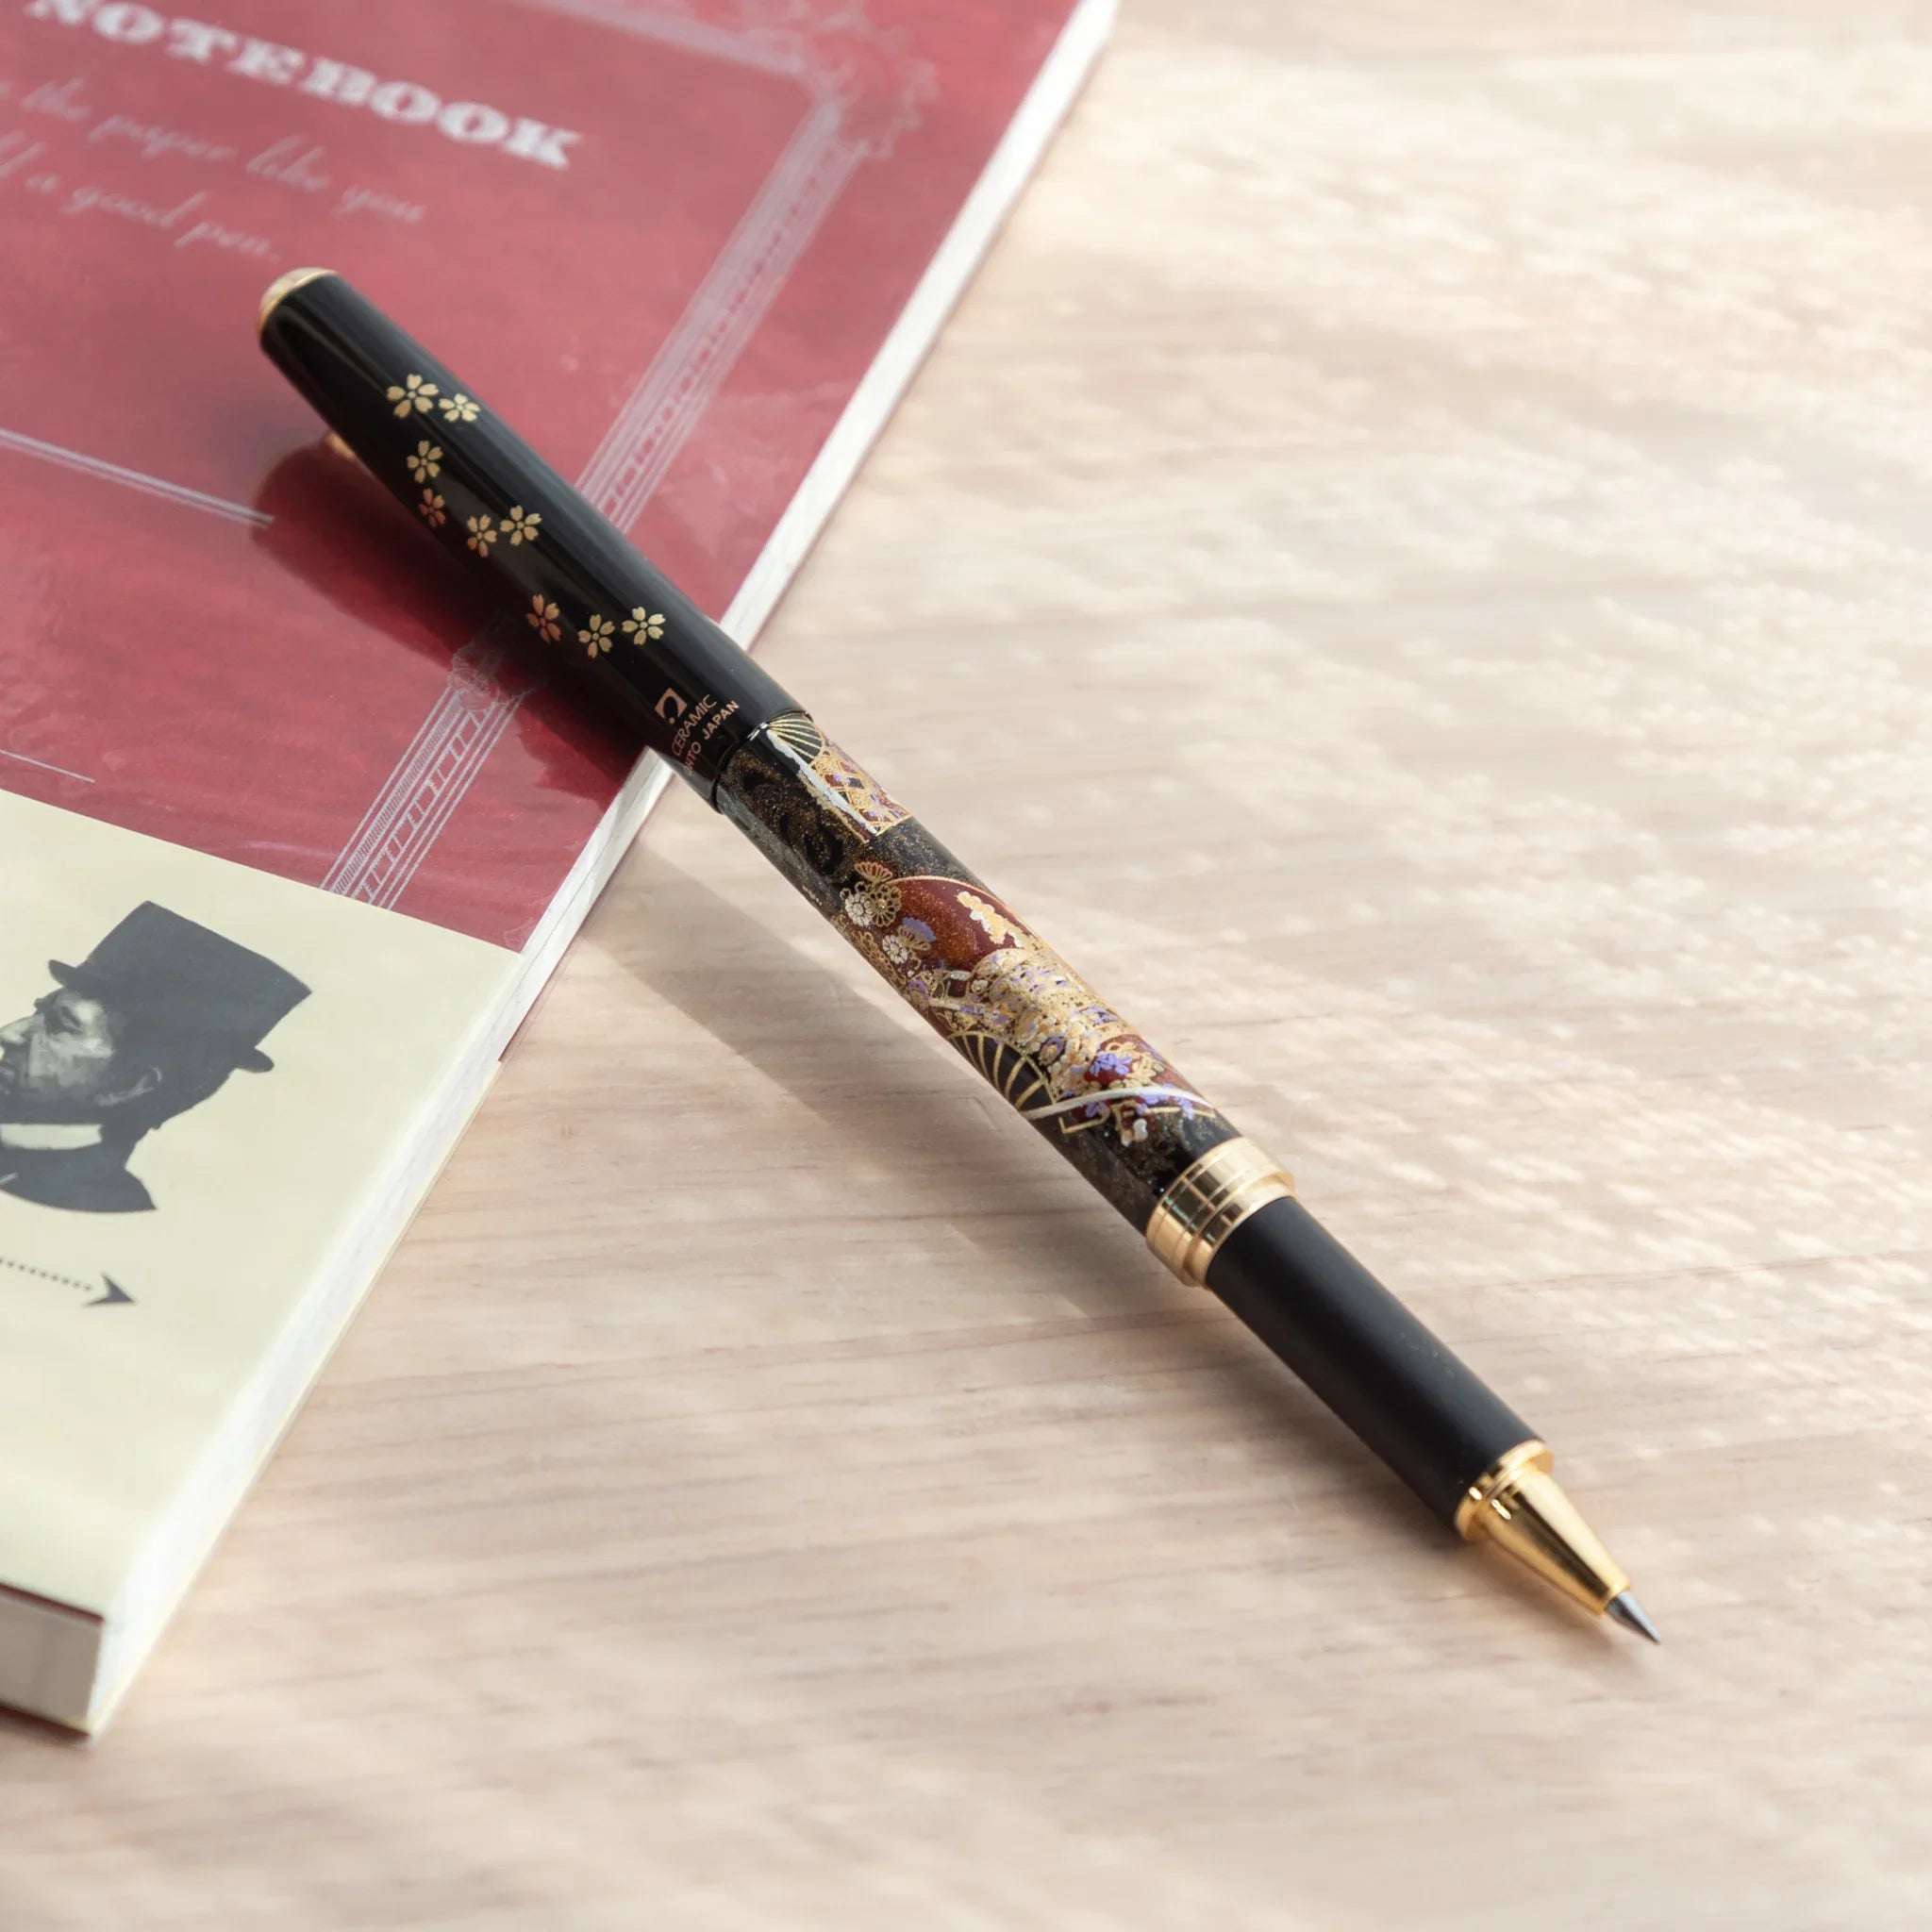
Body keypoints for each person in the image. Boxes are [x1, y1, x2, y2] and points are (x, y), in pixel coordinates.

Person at [0, 903, 309, 1214]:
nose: (9, 1033)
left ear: (128, 1083)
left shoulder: (91, 1204)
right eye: (39, 1012)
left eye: (59, 1025)